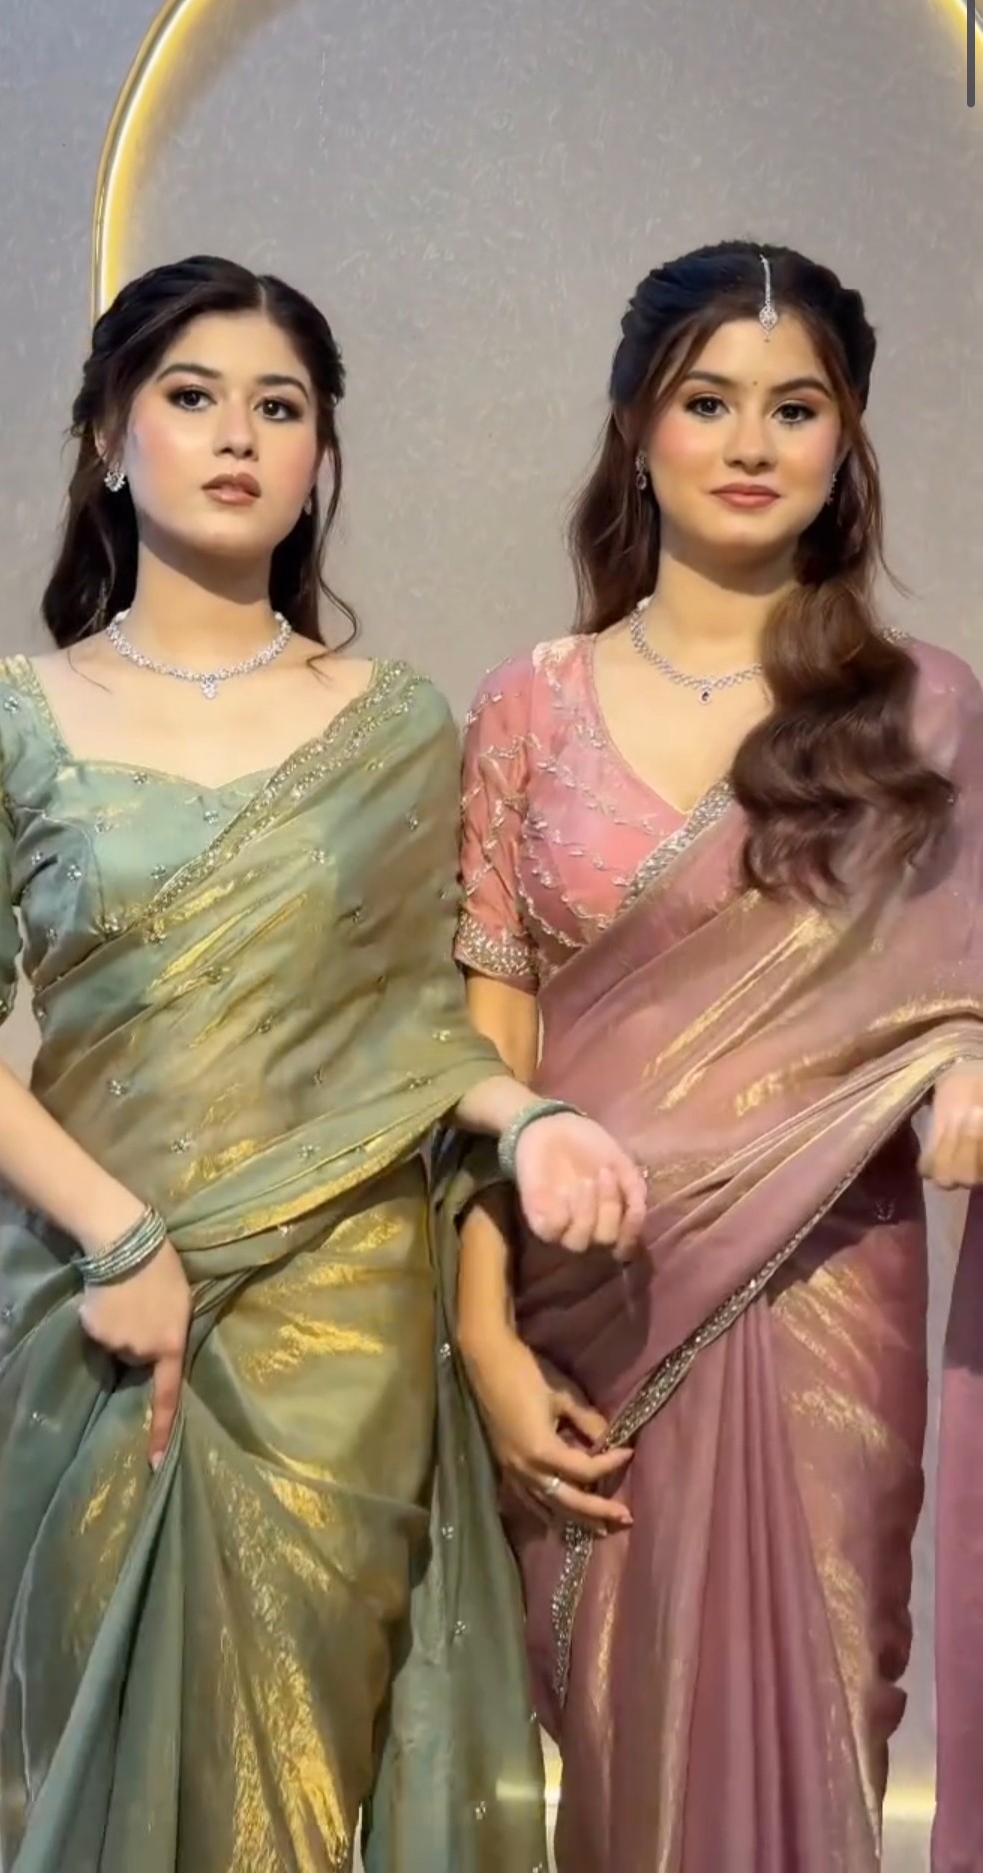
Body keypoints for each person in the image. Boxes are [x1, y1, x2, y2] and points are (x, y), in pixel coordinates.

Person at [0, 255, 647, 1873]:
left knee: (302, 1784)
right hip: (99, 1324)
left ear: (322, 460)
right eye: (192, 396)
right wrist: (118, 1235)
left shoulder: (392, 723)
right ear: (108, 438)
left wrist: (531, 1119)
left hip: (335, 1331)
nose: (237, 433)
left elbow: (416, 1030)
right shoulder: (8, 717)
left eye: (280, 406)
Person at [452, 240, 983, 1873]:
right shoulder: (530, 705)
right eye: (708, 401)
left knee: (816, 1709)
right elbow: (483, 1047)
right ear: (637, 427)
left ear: (847, 442)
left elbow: (953, 988)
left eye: (797, 407)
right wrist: (481, 1339)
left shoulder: (921, 713)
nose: (753, 442)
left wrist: (965, 1057)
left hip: (826, 1299)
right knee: (620, 1751)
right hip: (584, 1314)